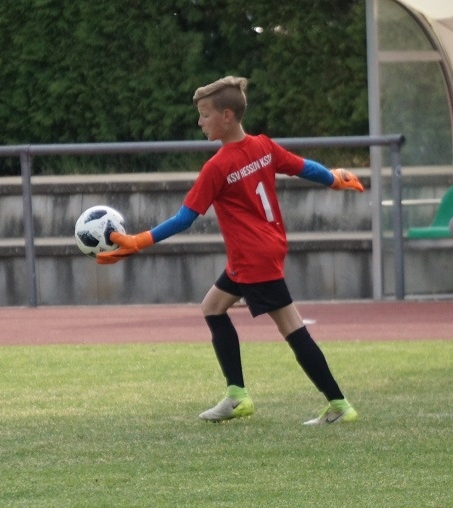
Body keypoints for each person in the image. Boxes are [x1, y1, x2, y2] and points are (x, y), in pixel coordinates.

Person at [98, 76, 364, 425]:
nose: (200, 122)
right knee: (213, 306)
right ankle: (237, 395)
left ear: (226, 116)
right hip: (264, 250)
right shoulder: (263, 146)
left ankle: (339, 405)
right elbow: (303, 167)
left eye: (205, 114)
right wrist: (333, 178)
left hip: (253, 258)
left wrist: (137, 241)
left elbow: (184, 219)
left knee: (291, 326)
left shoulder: (218, 166)